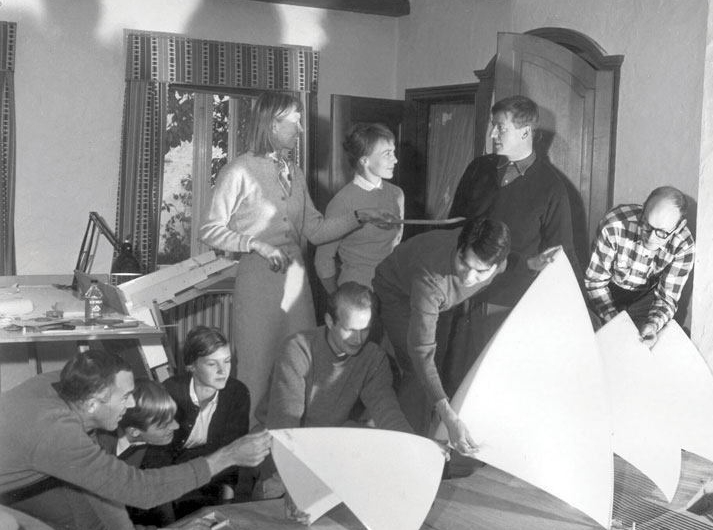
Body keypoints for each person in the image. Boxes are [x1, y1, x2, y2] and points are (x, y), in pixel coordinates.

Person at [199, 92, 397, 424]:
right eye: (295, 121)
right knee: (257, 372)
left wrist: (360, 215)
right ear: (272, 123)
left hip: (296, 282)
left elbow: (316, 231)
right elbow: (210, 229)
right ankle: (250, 462)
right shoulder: (239, 170)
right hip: (258, 282)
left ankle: (300, 452)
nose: (301, 129)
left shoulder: (294, 170)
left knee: (307, 366)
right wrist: (254, 244)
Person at [0, 350, 271, 530]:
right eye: (125, 396)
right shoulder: (56, 431)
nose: (130, 404)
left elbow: (106, 487)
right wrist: (227, 456)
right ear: (93, 403)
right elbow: (138, 489)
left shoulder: (65, 389)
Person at [445, 95, 579, 392]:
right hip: (462, 294)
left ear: (525, 132)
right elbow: (453, 226)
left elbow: (561, 255)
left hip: (507, 304)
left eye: (499, 128)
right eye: (493, 126)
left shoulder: (552, 188)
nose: (492, 134)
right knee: (454, 380)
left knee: (494, 387)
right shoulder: (478, 169)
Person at [246, 281, 417, 510]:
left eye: (365, 330)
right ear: (329, 321)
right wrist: (294, 482)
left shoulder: (374, 358)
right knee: (276, 510)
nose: (358, 339)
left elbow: (388, 412)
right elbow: (284, 424)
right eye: (349, 329)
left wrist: (418, 451)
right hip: (279, 446)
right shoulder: (297, 349)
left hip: (327, 445)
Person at [373, 217, 511, 455]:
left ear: (495, 265)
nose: (468, 278)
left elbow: (512, 264)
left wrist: (532, 263)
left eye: (480, 272)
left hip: (443, 302)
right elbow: (421, 351)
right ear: (459, 248)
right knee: (417, 371)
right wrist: (448, 415)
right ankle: (408, 451)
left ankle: (428, 439)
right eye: (463, 264)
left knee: (437, 365)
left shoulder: (498, 262)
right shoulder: (430, 276)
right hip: (398, 292)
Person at [94, 379, 215, 530]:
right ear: (134, 431)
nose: (176, 426)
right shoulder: (99, 454)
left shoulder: (141, 442)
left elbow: (155, 493)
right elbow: (101, 528)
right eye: (164, 424)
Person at [141, 326, 249, 514]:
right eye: (212, 364)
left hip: (210, 474)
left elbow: (231, 451)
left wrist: (227, 503)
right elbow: (158, 458)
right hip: (169, 475)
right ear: (192, 366)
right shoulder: (170, 391)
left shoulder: (237, 393)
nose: (223, 371)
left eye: (227, 361)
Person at [584, 186, 695, 347]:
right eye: (647, 225)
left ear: (679, 226)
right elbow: (595, 282)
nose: (651, 237)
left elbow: (666, 299)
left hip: (645, 300)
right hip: (606, 294)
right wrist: (616, 322)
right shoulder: (614, 224)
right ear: (643, 210)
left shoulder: (684, 246)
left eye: (662, 233)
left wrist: (653, 325)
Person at [314, 123, 404, 293]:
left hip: (394, 289)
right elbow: (323, 260)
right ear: (364, 160)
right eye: (387, 154)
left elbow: (396, 246)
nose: (395, 159)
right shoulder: (342, 202)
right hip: (357, 291)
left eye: (393, 152)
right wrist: (337, 299)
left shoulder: (396, 194)